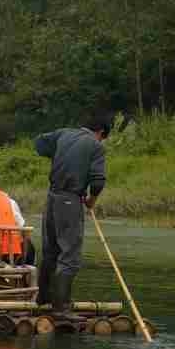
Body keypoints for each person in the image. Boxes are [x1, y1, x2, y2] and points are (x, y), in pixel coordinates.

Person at [34, 114, 111, 312]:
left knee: (51, 251)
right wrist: (91, 201)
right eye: (102, 138)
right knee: (70, 256)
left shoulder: (63, 134)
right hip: (70, 200)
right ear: (101, 133)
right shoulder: (96, 146)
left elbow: (40, 144)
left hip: (51, 198)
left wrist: (60, 154)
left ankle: (43, 298)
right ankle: (61, 308)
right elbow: (98, 181)